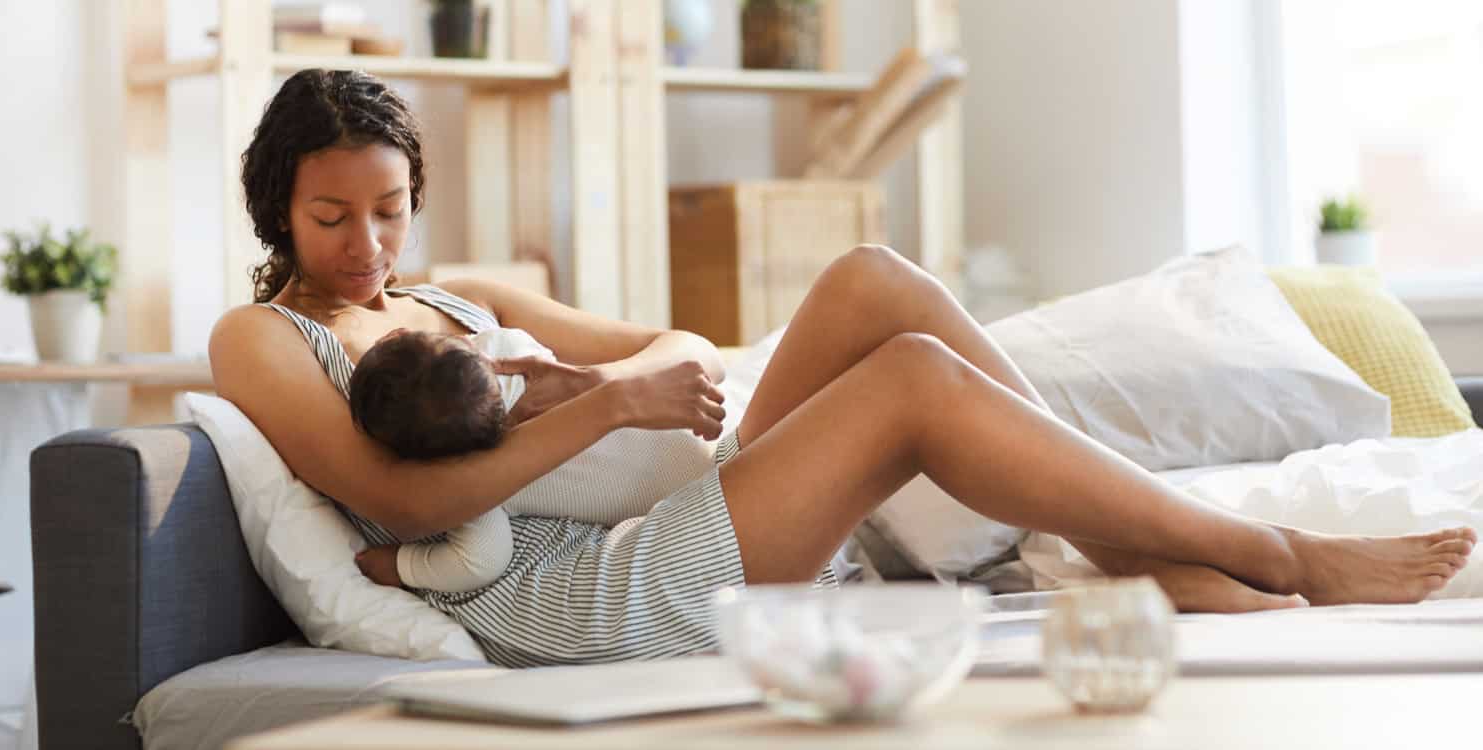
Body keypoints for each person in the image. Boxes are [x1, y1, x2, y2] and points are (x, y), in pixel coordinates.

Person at [209, 69, 1475, 668]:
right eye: (333, 219)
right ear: (279, 210)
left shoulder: (461, 293)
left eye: (389, 212)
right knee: (913, 379)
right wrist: (611, 411)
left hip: (660, 488)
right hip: (566, 588)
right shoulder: (262, 339)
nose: (370, 247)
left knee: (873, 280)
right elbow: (425, 505)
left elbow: (675, 346)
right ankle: (1272, 554)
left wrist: (623, 390)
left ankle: (1125, 546)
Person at [346, 325, 720, 592]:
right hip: (713, 448)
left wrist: (400, 565)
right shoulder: (512, 349)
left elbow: (481, 561)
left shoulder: (477, 484)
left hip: (696, 504)